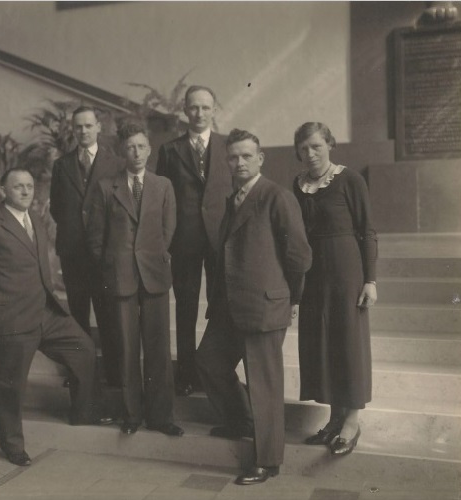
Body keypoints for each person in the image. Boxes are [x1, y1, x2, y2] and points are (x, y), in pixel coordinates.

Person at [0, 167, 112, 468]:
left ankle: (84, 414)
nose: (26, 191)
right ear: (3, 191)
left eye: (30, 186)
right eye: (18, 187)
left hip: (46, 312)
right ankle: (12, 446)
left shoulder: (36, 221)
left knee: (83, 349)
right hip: (13, 320)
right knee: (10, 385)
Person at [196, 129, 312, 485]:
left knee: (264, 384)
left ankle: (268, 460)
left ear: (260, 158)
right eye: (233, 157)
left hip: (263, 307)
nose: (240, 162)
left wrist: (289, 299)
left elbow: (300, 257)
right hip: (229, 307)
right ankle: (241, 421)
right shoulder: (233, 199)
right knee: (208, 362)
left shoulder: (276, 196)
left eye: (247, 156)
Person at [87, 122, 183, 437]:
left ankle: (161, 417)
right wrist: (111, 268)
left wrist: (152, 255)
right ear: (121, 151)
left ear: (150, 148)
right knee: (127, 347)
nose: (137, 153)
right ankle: (131, 414)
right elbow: (96, 238)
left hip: (154, 274)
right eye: (130, 147)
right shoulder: (105, 187)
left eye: (141, 146)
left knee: (158, 347)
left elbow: (169, 229)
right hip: (121, 276)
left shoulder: (163, 185)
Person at [292, 122, 377, 456]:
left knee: (348, 343)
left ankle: (352, 421)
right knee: (322, 344)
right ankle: (334, 418)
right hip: (313, 275)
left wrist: (370, 280)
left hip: (346, 272)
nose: (310, 154)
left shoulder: (350, 180)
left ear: (329, 145)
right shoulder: (298, 186)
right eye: (304, 149)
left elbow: (368, 231)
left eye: (316, 146)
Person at [156, 85, 232, 396]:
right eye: (193, 108)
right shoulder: (169, 150)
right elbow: (162, 198)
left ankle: (216, 371)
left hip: (220, 239)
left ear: (214, 110)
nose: (199, 113)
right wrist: (164, 241)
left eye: (205, 107)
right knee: (185, 309)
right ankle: (186, 373)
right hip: (184, 241)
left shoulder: (228, 146)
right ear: (185, 111)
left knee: (221, 307)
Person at [50, 105, 123, 387]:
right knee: (77, 316)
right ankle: (80, 372)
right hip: (73, 254)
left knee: (108, 315)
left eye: (88, 126)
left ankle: (113, 374)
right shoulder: (62, 165)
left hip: (104, 253)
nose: (83, 131)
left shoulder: (114, 164)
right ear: (73, 129)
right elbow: (58, 207)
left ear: (98, 128)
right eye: (78, 127)